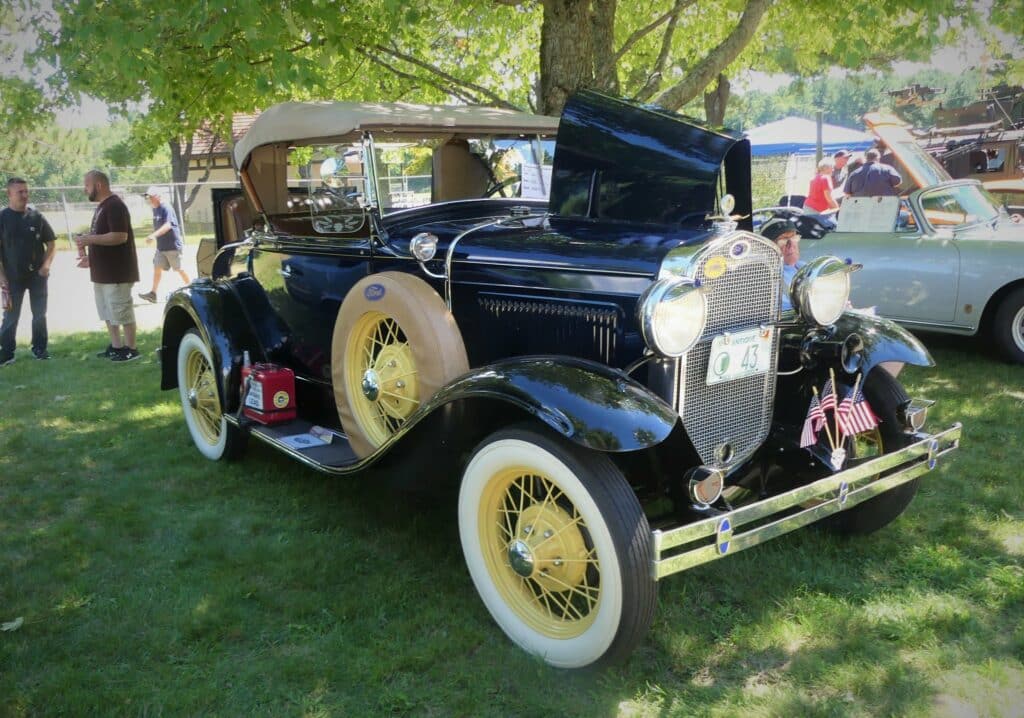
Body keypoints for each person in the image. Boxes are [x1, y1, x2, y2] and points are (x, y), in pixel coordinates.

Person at [75, 170, 141, 361]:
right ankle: (116, 346)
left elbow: (120, 236)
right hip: (102, 273)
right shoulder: (101, 207)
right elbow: (102, 240)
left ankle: (131, 348)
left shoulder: (115, 206)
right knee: (107, 312)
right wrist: (91, 259)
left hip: (117, 273)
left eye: (86, 185)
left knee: (122, 311)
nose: (84, 189)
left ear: (98, 185)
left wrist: (88, 239)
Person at [0, 178, 57, 364]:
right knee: (10, 316)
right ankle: (6, 352)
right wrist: (2, 278)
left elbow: (51, 242)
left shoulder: (36, 217)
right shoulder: (2, 218)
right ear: (9, 194)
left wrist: (46, 265)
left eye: (26, 191)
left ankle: (40, 349)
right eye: (20, 192)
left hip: (37, 276)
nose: (25, 195)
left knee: (39, 314)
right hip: (12, 277)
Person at [138, 186, 189, 303]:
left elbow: (167, 226)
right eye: (148, 197)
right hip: (161, 247)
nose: (148, 199)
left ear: (157, 196)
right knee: (157, 268)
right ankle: (153, 294)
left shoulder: (166, 207)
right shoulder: (155, 208)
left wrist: (153, 235)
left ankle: (193, 290)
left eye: (150, 197)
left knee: (179, 269)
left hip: (172, 246)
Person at [760, 216, 802, 311]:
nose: (791, 245)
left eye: (794, 237)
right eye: (783, 240)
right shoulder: (766, 276)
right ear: (768, 247)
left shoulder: (804, 266)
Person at [803, 158, 839, 228]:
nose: (833, 170)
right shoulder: (826, 178)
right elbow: (829, 198)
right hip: (815, 211)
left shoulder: (815, 177)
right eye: (832, 167)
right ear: (827, 168)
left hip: (808, 208)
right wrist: (838, 209)